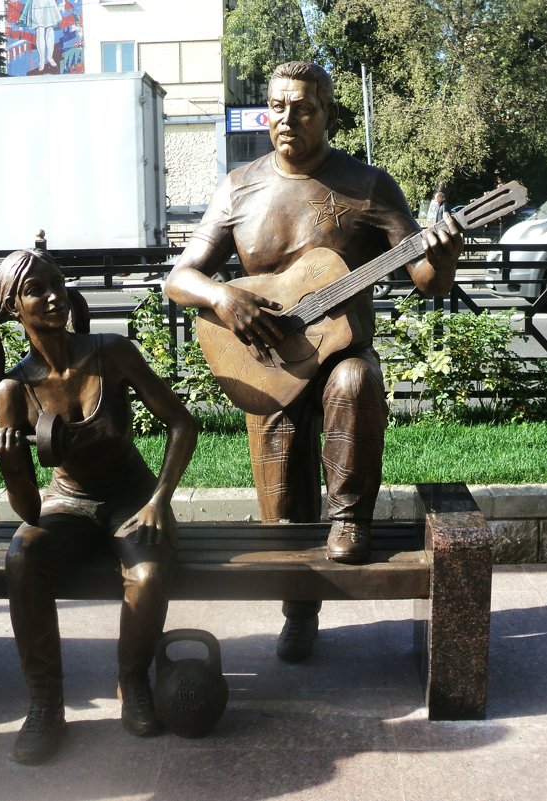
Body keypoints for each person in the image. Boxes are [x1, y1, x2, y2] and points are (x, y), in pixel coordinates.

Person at [162, 61, 462, 664]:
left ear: (327, 113)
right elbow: (180, 278)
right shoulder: (240, 187)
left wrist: (444, 253)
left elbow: (424, 278)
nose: (287, 118)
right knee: (281, 510)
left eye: (302, 107)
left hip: (339, 352)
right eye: (276, 105)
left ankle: (350, 519)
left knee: (355, 378)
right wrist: (224, 296)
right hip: (267, 361)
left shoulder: (368, 187)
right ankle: (299, 611)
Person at [0, 248, 198, 765]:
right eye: (37, 289)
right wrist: (13, 468)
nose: (54, 295)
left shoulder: (112, 353)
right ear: (14, 307)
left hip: (131, 498)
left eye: (58, 283)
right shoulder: (13, 388)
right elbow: (30, 511)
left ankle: (133, 681)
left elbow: (182, 424)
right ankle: (45, 704)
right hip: (68, 502)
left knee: (147, 576)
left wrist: (159, 500)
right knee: (22, 557)